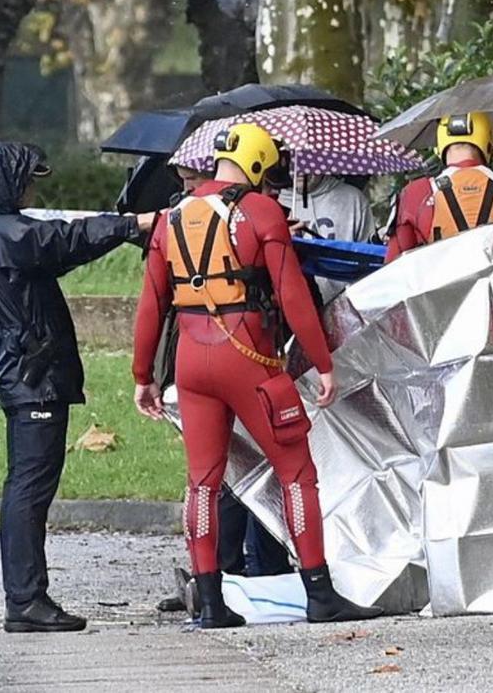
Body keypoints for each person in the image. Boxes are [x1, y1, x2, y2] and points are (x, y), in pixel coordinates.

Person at [132, 123, 382, 628]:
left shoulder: (171, 217)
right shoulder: (261, 212)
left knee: (202, 483)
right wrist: (323, 363)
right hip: (248, 356)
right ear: (257, 164)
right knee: (296, 473)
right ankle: (319, 593)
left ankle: (211, 601)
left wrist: (143, 375)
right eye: (269, 173)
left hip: (190, 360)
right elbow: (292, 294)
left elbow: (151, 303)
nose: (272, 183)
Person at [0, 142, 155, 633]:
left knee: (26, 487)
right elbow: (62, 240)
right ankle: (26, 600)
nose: (33, 187)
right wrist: (134, 224)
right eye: (27, 178)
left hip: (27, 374)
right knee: (28, 489)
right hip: (33, 379)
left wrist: (121, 232)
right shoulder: (3, 234)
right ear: (7, 180)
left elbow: (58, 252)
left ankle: (27, 597)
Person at [385, 112, 493, 261]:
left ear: (439, 147)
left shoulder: (416, 192)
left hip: (438, 282)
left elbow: (394, 261)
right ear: (489, 146)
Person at [279, 174, 375, 302]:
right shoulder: (276, 206)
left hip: (349, 303)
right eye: (294, 161)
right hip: (301, 305)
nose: (300, 171)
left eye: (308, 160)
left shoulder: (353, 200)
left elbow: (369, 258)